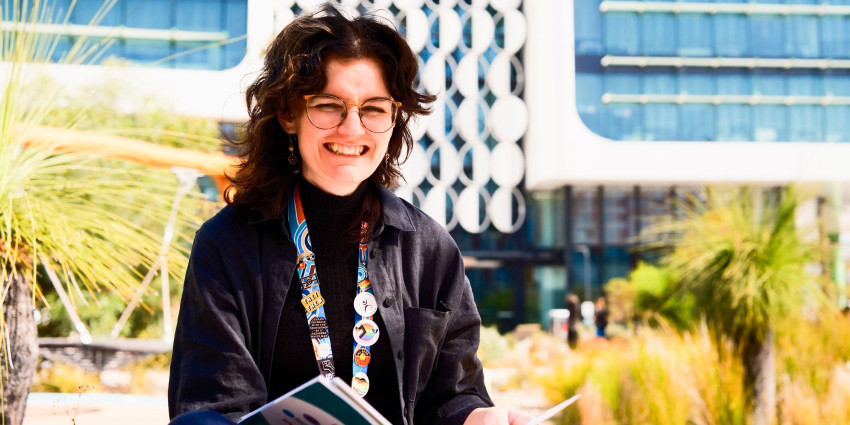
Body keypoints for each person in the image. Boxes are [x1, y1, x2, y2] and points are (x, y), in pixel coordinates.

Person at [167, 4, 533, 425]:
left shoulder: (430, 249)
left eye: (374, 109)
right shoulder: (227, 244)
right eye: (329, 105)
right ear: (288, 113)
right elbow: (215, 403)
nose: (352, 128)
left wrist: (479, 419)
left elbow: (452, 396)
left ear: (394, 120)